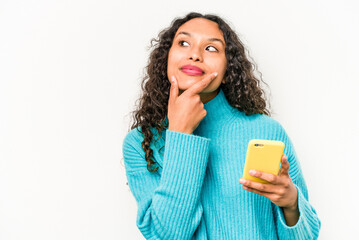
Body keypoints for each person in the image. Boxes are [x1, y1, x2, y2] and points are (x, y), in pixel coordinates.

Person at [122, 12, 321, 240]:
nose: (195, 55)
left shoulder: (266, 132)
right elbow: (167, 235)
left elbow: (307, 237)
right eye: (184, 43)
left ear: (228, 72)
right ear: (165, 60)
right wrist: (180, 133)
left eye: (211, 48)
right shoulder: (141, 142)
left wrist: (291, 204)